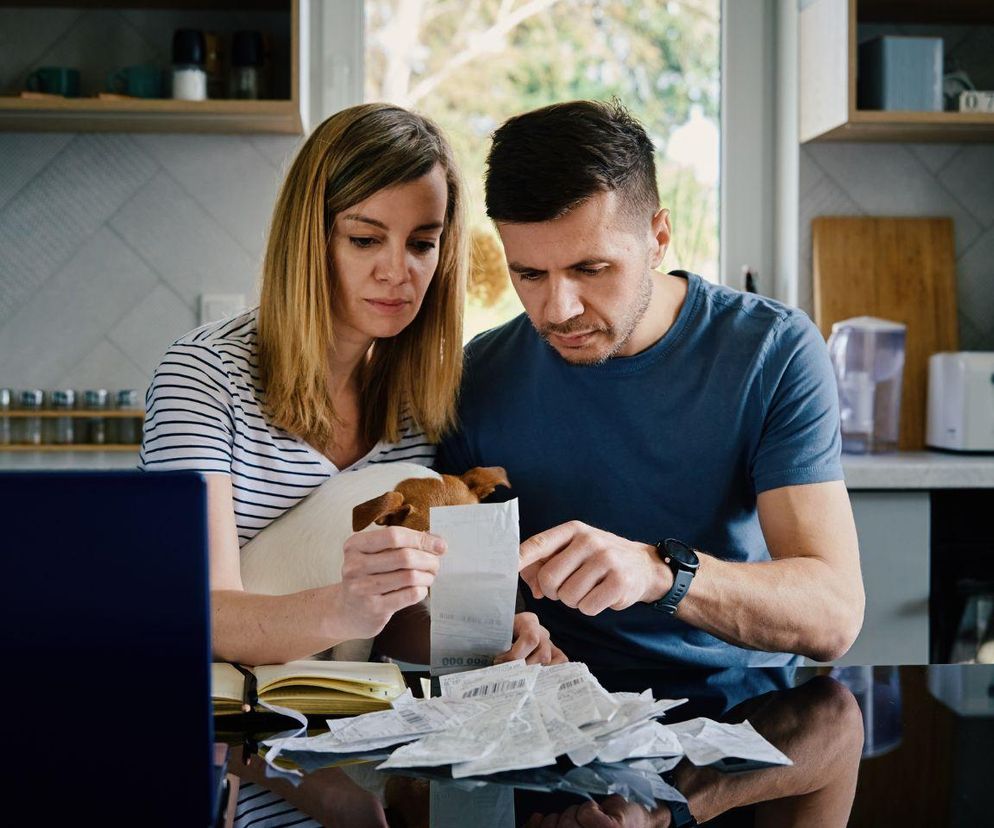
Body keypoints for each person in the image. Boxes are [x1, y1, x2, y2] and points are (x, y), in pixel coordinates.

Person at [140, 103, 561, 826]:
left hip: (369, 766)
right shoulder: (203, 377)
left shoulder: (416, 403)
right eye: (366, 238)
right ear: (311, 238)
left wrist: (492, 634)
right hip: (237, 776)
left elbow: (393, 629)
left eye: (423, 243)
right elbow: (193, 615)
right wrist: (344, 602)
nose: (398, 272)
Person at [437, 100, 864, 670]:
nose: (558, 309)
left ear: (658, 237)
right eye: (530, 274)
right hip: (554, 719)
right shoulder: (479, 375)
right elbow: (465, 598)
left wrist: (661, 573)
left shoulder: (773, 350)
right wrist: (503, 632)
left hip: (741, 718)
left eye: (591, 269)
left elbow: (833, 617)